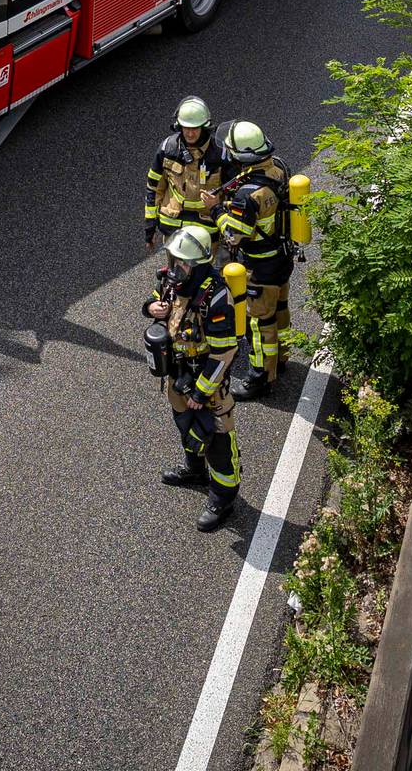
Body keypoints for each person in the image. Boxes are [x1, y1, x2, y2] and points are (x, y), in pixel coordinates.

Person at [146, 224, 243, 531]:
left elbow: (224, 353)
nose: (174, 268)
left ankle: (223, 497)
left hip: (206, 385)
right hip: (178, 375)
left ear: (196, 265)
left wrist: (201, 394)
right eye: (173, 260)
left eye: (180, 262)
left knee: (216, 437)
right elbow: (154, 300)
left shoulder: (215, 295)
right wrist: (150, 308)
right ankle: (194, 470)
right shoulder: (173, 281)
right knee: (185, 425)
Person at [212, 121, 297, 400]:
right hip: (283, 257)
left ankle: (259, 378)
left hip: (260, 266)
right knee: (281, 310)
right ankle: (281, 359)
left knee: (259, 325)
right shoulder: (279, 168)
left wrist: (216, 212)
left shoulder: (247, 194)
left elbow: (235, 235)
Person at [143, 96, 225, 249]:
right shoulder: (167, 149)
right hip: (173, 227)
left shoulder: (219, 154)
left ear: (204, 127)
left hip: (206, 231)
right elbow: (154, 188)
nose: (190, 133)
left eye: (194, 128)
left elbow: (231, 193)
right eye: (186, 128)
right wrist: (150, 226)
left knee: (204, 273)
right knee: (177, 271)